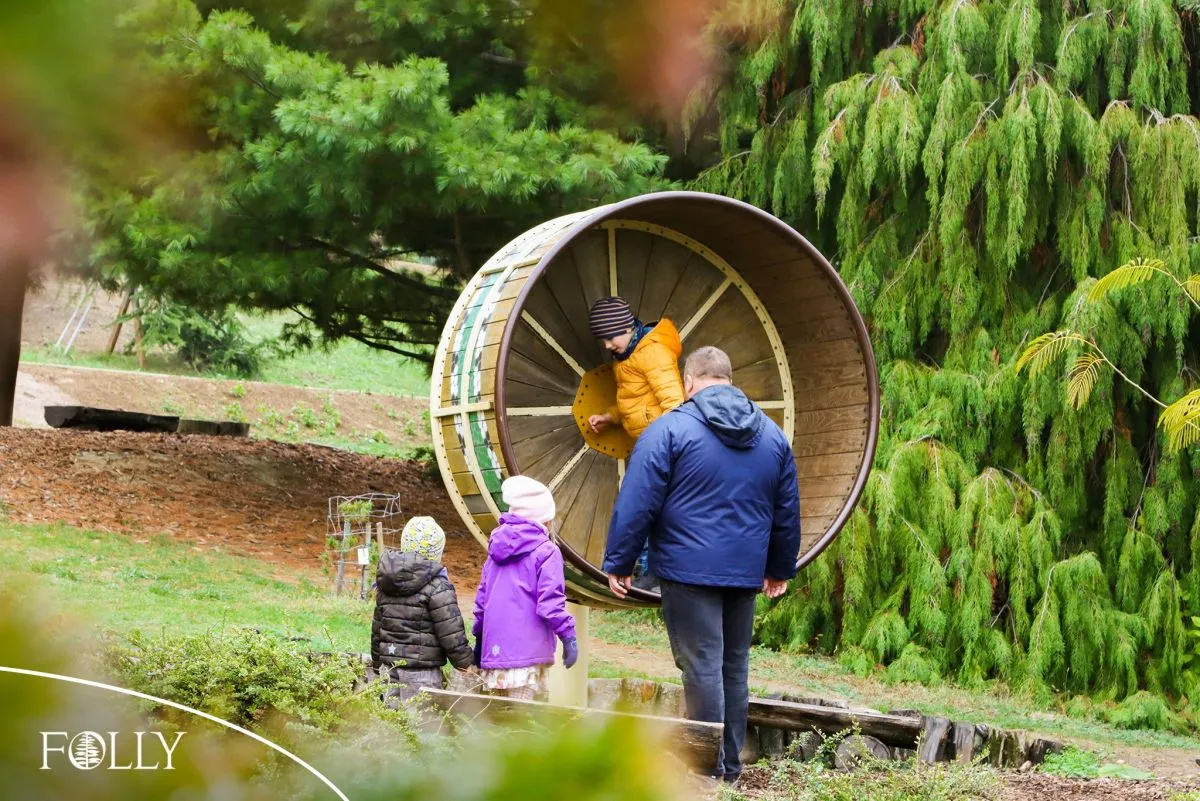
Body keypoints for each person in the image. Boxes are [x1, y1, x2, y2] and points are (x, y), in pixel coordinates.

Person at [601, 346, 800, 783]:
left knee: (703, 667)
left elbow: (638, 501)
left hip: (687, 571)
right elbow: (786, 509)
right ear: (729, 379)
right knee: (734, 667)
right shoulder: (771, 435)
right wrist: (779, 567)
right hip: (744, 573)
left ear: (689, 381)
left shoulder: (668, 429)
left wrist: (620, 560)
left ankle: (706, 771)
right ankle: (728, 767)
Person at [586, 295, 686, 588]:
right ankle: (644, 572)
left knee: (646, 507)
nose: (607, 346)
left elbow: (674, 404)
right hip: (649, 444)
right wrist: (610, 417)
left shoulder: (652, 353)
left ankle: (648, 574)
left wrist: (666, 449)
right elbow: (637, 401)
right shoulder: (629, 355)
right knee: (643, 506)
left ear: (626, 328)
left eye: (609, 337)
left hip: (660, 448)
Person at [472, 475, 579, 700]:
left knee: (497, 727)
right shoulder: (547, 551)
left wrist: (480, 639)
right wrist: (568, 635)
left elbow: (483, 601)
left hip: (495, 658)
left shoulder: (494, 551)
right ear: (545, 520)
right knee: (523, 728)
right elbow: (550, 603)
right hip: (528, 659)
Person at [371, 516, 474, 707]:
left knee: (390, 723)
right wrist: (464, 661)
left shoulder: (386, 583)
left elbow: (378, 627)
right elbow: (450, 629)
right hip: (422, 672)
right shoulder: (438, 586)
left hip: (389, 666)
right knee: (422, 725)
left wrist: (378, 664)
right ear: (436, 552)